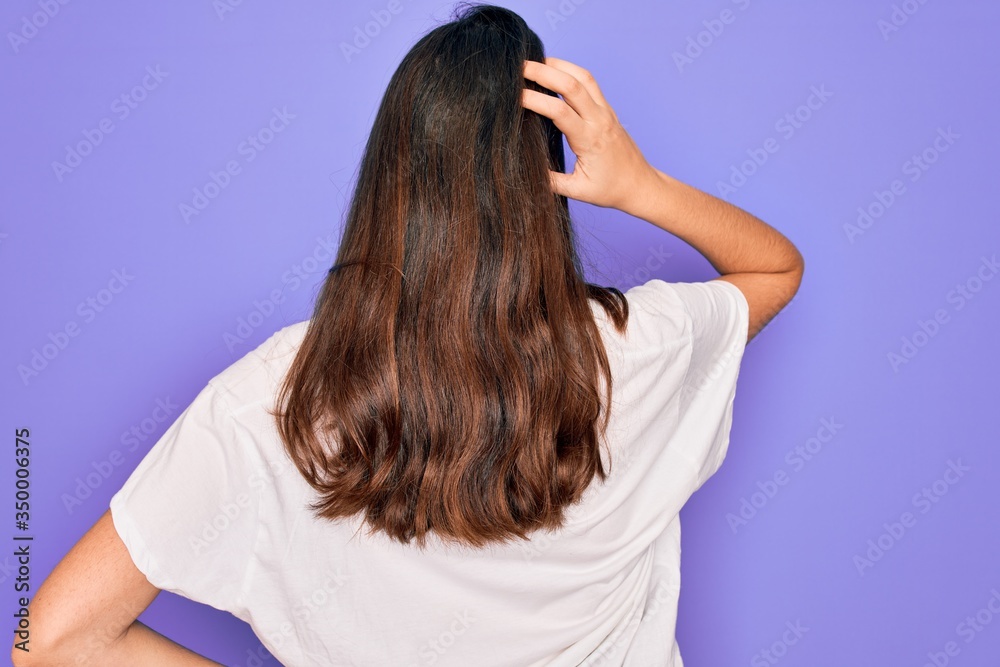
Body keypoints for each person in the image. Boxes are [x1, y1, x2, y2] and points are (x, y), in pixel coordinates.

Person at [14, 4, 803, 666]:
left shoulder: (273, 399)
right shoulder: (636, 353)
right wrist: (640, 184)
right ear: (541, 179)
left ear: (390, 174)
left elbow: (49, 641)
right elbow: (774, 270)